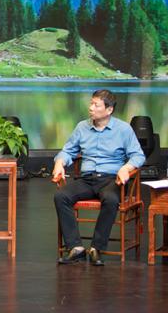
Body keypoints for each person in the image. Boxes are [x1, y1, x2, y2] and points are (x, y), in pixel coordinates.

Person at [52, 89, 145, 267]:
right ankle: (76, 248)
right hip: (87, 179)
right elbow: (67, 151)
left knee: (110, 199)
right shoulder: (82, 127)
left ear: (109, 110)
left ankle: (97, 247)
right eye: (91, 103)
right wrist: (59, 163)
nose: (91, 108)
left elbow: (138, 156)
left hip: (112, 179)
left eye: (96, 105)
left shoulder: (123, 129)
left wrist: (126, 168)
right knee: (61, 196)